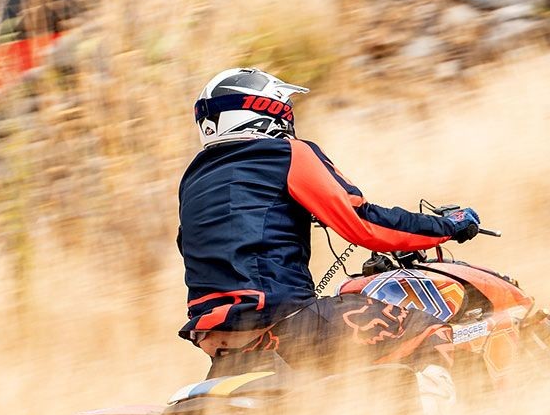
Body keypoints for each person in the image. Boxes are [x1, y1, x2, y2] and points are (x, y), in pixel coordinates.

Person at [178, 67, 480, 394]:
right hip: (283, 321)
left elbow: (219, 236)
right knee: (428, 330)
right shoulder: (287, 154)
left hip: (215, 339)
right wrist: (447, 226)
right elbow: (364, 223)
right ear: (267, 112)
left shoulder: (194, 179)